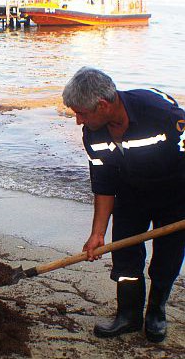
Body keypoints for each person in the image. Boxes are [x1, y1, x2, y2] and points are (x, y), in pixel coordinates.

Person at [62, 67, 185, 342]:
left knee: (167, 258)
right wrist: (97, 234)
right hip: (131, 193)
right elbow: (104, 183)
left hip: (176, 194)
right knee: (126, 258)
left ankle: (156, 312)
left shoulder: (163, 115)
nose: (78, 121)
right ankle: (128, 314)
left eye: (81, 113)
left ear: (103, 105)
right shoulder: (93, 133)